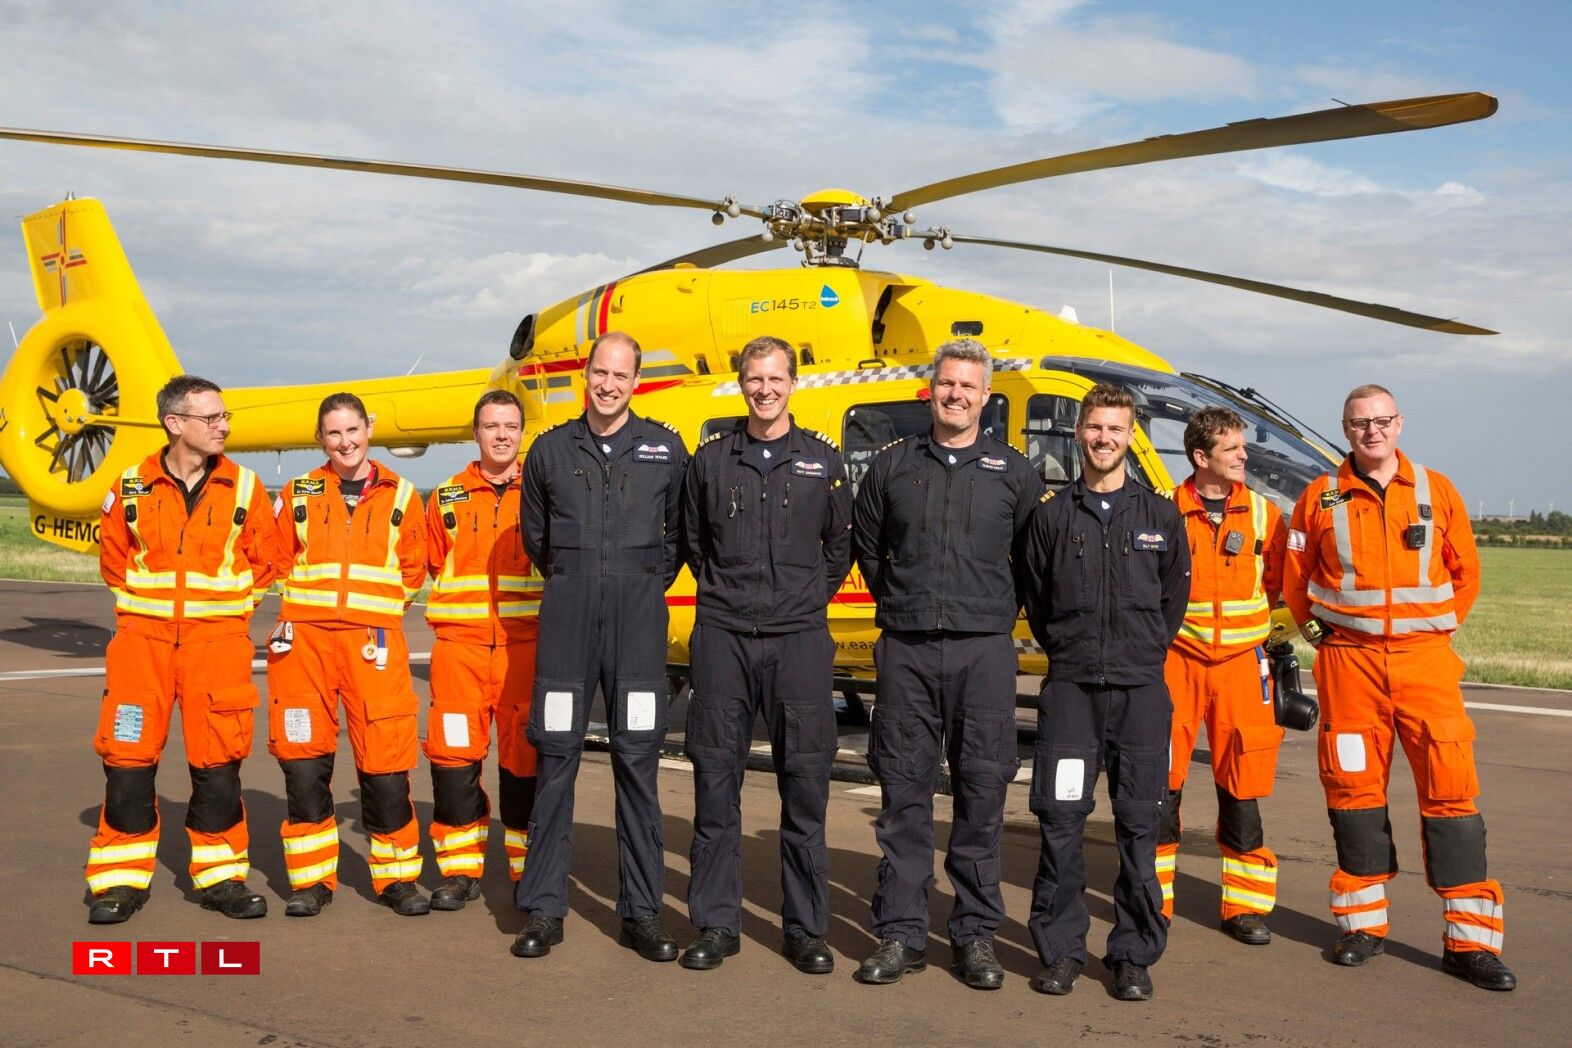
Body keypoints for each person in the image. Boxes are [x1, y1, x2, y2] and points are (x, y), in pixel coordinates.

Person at [1282, 384, 1514, 991]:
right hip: (1349, 666)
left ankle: (1470, 944)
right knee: (1353, 793)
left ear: (1399, 424)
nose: (1373, 431)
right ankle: (1362, 928)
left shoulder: (1437, 492)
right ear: (1346, 428)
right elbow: (1294, 579)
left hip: (1425, 665)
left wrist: (1431, 633)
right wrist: (1323, 639)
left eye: (1382, 420)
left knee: (1452, 794)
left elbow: (1466, 573)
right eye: (1360, 422)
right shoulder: (1319, 496)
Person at [849, 339, 1045, 990]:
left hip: (983, 651)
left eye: (967, 386)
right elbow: (869, 547)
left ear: (986, 397)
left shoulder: (1014, 473)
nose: (955, 394)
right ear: (929, 390)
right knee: (903, 793)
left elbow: (1032, 558)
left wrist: (990, 610)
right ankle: (901, 933)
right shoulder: (892, 466)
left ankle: (975, 934)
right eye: (946, 383)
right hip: (906, 647)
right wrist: (904, 602)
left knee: (982, 792)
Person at [511, 331, 689, 962]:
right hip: (568, 618)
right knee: (555, 759)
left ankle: (642, 913)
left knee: (637, 763)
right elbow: (537, 538)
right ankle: (543, 908)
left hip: (638, 622)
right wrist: (579, 578)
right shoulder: (550, 450)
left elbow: (679, 538)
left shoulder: (666, 450)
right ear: (585, 376)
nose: (609, 384)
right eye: (600, 373)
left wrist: (637, 583)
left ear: (636, 381)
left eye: (620, 375)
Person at [679, 335, 853, 974]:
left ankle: (805, 930)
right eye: (754, 378)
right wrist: (733, 598)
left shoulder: (823, 462)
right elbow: (695, 543)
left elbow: (840, 548)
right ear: (741, 383)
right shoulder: (710, 461)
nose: (765, 389)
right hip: (724, 637)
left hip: (798, 642)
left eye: (776, 378)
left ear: (793, 383)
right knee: (714, 784)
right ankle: (716, 924)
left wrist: (799, 601)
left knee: (804, 788)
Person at [1015, 382, 1190, 1002]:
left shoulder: (1161, 517)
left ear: (1130, 436)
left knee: (1140, 824)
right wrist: (1075, 651)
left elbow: (1173, 604)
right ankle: (1061, 951)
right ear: (1078, 431)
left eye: (1116, 429)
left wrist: (1137, 653)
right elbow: (1038, 603)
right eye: (1095, 427)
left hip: (1141, 694)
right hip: (1072, 695)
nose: (1104, 438)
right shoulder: (1051, 518)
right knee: (1061, 822)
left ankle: (1133, 954)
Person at [86, 375, 282, 923]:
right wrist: (146, 615)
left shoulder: (245, 487)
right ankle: (119, 881)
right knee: (128, 760)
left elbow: (266, 562)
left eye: (224, 417)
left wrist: (223, 612)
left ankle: (221, 879)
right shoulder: (130, 486)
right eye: (211, 418)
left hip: (217, 647)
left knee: (218, 763)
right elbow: (114, 561)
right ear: (175, 423)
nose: (223, 427)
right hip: (141, 647)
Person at [267, 392, 430, 917]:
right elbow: (275, 558)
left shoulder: (403, 495)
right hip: (305, 646)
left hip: (373, 646)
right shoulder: (297, 493)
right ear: (321, 439)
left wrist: (373, 614)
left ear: (369, 429)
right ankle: (311, 882)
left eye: (352, 430)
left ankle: (397, 879)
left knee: (386, 764)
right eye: (334, 433)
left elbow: (413, 571)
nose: (345, 442)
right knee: (304, 764)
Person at [1157, 407, 1288, 945]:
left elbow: (1278, 584)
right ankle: (1153, 900)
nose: (1243, 456)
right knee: (1160, 782)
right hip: (1176, 661)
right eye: (1232, 449)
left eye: (1241, 447)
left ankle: (1246, 908)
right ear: (1200, 456)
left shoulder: (1264, 515)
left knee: (1243, 784)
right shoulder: (1163, 510)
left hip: (1240, 667)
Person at [422, 390, 543, 910]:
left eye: (510, 426)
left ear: (522, 433)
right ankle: (459, 872)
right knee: (454, 760)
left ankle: (527, 871)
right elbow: (431, 564)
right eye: (491, 426)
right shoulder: (445, 497)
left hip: (524, 650)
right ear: (475, 433)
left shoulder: (541, 493)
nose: (501, 435)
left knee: (525, 761)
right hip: (459, 651)